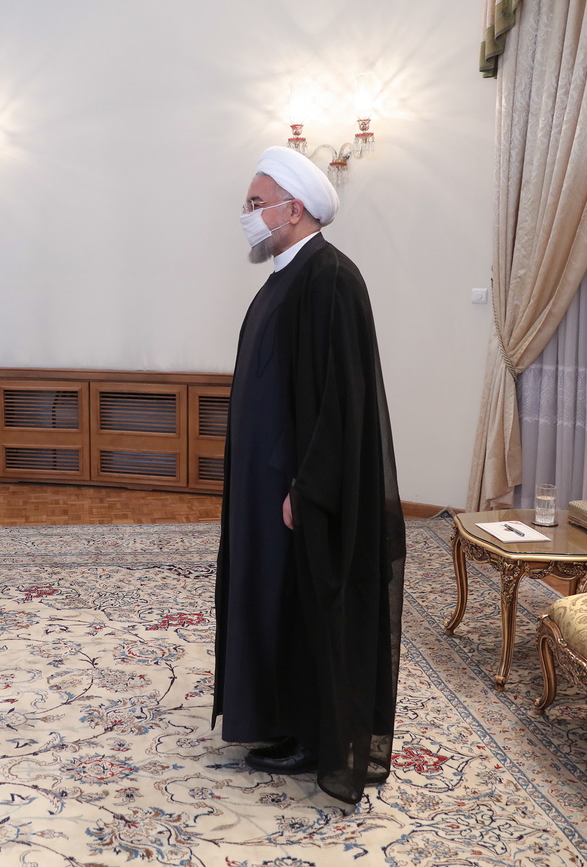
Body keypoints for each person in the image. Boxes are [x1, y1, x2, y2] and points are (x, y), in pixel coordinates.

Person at [212, 146, 405, 806]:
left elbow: (339, 399)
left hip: (297, 491)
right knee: (270, 599)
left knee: (302, 606)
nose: (247, 215)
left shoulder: (329, 278)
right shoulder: (287, 275)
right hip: (267, 486)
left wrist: (308, 487)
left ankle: (311, 735)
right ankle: (278, 715)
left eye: (254, 203)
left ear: (293, 210)